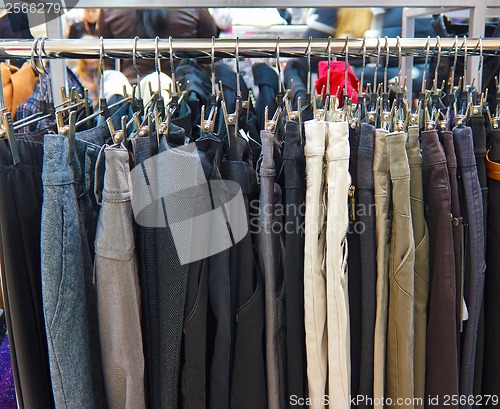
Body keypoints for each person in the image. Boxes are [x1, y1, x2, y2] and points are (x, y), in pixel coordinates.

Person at [99, 8, 218, 84]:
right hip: (181, 90)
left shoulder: (113, 8)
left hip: (132, 92)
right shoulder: (192, 7)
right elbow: (208, 55)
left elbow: (107, 58)